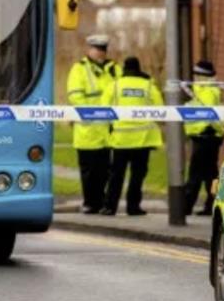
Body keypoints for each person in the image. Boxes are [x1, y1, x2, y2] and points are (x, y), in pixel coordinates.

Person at [100, 56, 163, 216]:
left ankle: (109, 207)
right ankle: (133, 207)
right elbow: (160, 110)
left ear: (124, 69)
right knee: (137, 176)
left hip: (121, 140)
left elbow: (103, 109)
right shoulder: (149, 86)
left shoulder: (114, 86)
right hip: (143, 140)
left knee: (116, 176)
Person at [66, 34, 118, 214]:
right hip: (87, 129)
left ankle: (101, 201)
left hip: (108, 130)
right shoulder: (79, 69)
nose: (100, 53)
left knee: (105, 170)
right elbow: (75, 95)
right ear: (89, 50)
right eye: (97, 49)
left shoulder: (114, 69)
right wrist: (93, 112)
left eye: (103, 49)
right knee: (89, 171)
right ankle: (90, 202)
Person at [183, 60, 224, 215]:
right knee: (210, 175)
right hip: (208, 136)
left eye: (197, 74)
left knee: (195, 174)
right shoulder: (203, 89)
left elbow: (209, 115)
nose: (194, 77)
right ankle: (212, 205)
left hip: (205, 135)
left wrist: (208, 128)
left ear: (203, 75)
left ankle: (186, 207)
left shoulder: (208, 91)